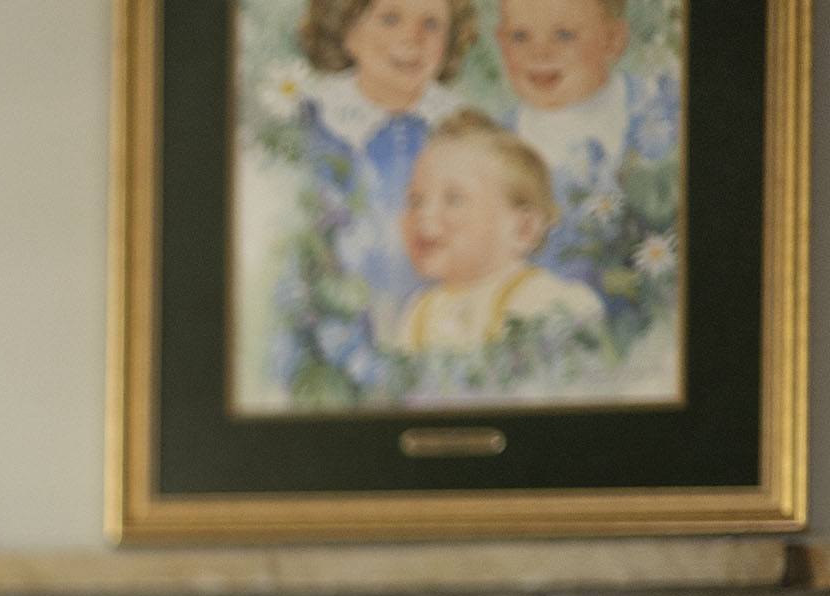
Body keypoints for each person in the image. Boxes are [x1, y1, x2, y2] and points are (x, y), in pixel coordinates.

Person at [282, 0, 477, 353]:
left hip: (436, 325)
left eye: (431, 24)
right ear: (348, 30)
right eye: (390, 19)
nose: (412, 39)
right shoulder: (309, 126)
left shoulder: (462, 130)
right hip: (331, 322)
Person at [490, 0, 680, 336]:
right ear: (501, 42)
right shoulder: (494, 147)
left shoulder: (658, 113)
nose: (539, 52)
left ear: (613, 40)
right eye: (521, 37)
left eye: (563, 35)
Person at [390, 110, 606, 352]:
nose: (424, 215)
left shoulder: (546, 301)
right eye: (415, 200)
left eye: (452, 199)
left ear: (523, 229)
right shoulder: (420, 314)